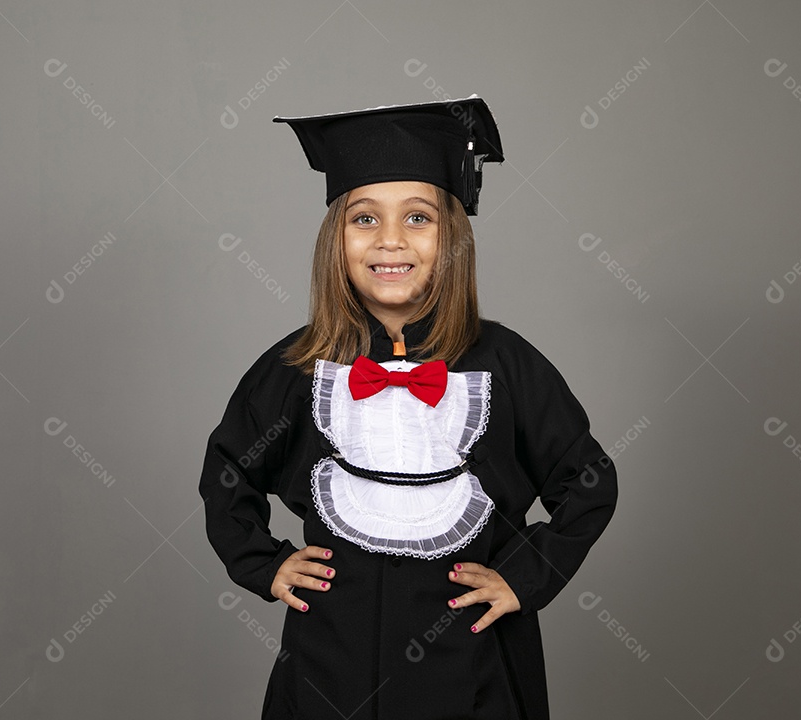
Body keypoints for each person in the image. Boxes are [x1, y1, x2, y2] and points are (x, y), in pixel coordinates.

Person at [198, 95, 618, 720]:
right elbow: (229, 468)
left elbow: (587, 481)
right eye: (364, 219)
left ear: (453, 235)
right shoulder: (298, 365)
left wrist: (524, 576)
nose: (390, 241)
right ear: (334, 238)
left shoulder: (506, 363)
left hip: (473, 666)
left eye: (417, 218)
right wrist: (264, 563)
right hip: (328, 662)